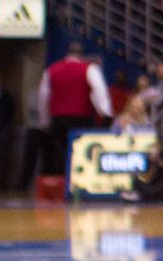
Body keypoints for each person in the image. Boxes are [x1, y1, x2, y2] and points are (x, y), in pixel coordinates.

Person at [37, 41, 113, 179]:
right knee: (81, 152)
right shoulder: (90, 69)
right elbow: (100, 93)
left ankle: (62, 182)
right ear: (81, 55)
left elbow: (43, 97)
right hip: (82, 117)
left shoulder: (51, 70)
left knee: (60, 153)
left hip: (59, 119)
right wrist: (106, 114)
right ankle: (79, 182)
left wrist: (44, 122)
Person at [121, 132, 163, 203]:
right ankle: (142, 195)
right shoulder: (152, 158)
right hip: (156, 185)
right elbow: (149, 178)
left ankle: (143, 196)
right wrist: (139, 174)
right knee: (137, 181)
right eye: (159, 143)